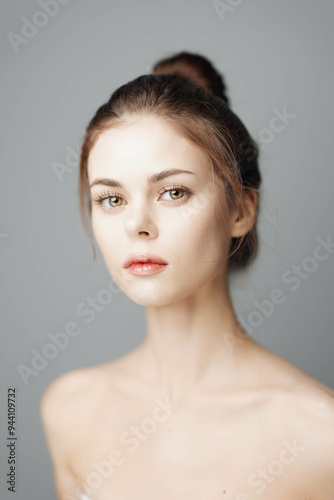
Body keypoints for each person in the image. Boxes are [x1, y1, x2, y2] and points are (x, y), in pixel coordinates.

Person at [40, 51, 334, 500]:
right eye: (111, 199)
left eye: (173, 192)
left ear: (240, 210)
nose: (138, 224)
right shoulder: (70, 410)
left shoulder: (319, 436)